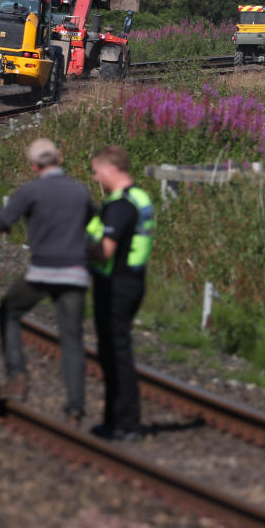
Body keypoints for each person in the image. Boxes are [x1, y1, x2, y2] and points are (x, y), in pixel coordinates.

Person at [0, 138, 93, 424]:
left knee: (9, 311)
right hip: (74, 274)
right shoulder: (80, 190)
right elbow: (93, 225)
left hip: (42, 272)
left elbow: (3, 220)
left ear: (34, 165)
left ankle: (17, 377)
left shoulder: (31, 190)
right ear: (59, 158)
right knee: (71, 339)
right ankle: (75, 408)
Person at [87, 145, 154, 442]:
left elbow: (105, 251)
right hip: (132, 281)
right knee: (112, 352)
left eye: (97, 170)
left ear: (111, 169)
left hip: (117, 286)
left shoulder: (121, 205)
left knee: (116, 355)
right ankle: (114, 421)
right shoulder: (138, 196)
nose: (95, 176)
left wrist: (75, 243)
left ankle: (127, 423)